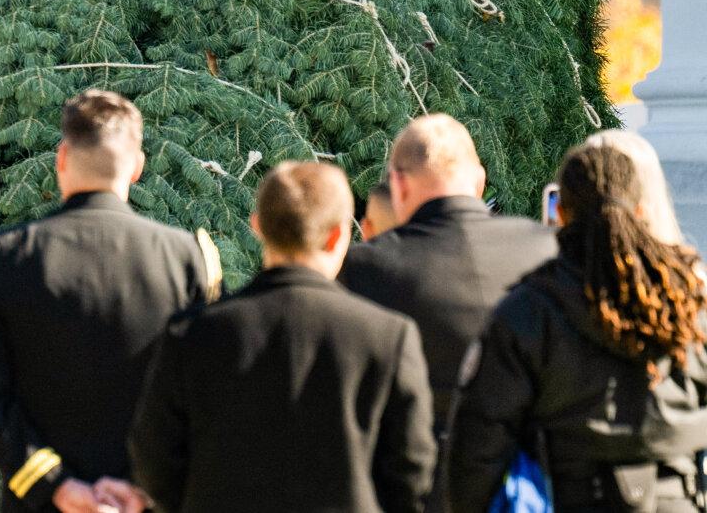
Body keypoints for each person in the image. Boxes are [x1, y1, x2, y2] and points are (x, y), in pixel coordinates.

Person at [0, 90, 221, 513]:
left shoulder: (10, 255)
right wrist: (142, 489)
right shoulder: (186, 258)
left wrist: (57, 486)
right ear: (138, 166)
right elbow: (209, 396)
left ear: (61, 158)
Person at [129, 161, 435, 512]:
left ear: (257, 226)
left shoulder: (193, 333)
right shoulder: (388, 337)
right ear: (338, 235)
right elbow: (411, 470)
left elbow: (154, 459)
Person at [447, 138, 707, 511]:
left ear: (561, 214)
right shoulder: (691, 302)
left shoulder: (529, 310)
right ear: (641, 210)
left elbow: (476, 447)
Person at [338, 114, 557, 431]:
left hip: (413, 454)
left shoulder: (361, 268)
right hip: (530, 454)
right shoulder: (550, 249)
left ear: (398, 186)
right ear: (480, 181)